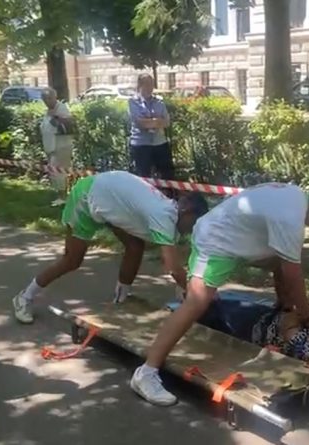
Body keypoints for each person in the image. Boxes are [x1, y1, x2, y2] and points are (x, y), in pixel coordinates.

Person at [130, 183, 309, 406]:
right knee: (197, 302)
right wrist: (306, 314)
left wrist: (290, 306)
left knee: (280, 260)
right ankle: (146, 373)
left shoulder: (294, 196)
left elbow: (285, 264)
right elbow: (294, 275)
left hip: (231, 233)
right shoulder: (291, 217)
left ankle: (282, 306)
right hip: (217, 242)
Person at [12, 170, 209, 324]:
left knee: (135, 246)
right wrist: (194, 295)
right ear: (186, 210)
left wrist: (182, 285)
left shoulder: (169, 211)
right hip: (86, 198)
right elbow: (173, 268)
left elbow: (175, 261)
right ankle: (24, 297)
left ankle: (120, 299)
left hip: (108, 197)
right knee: (72, 260)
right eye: (194, 223)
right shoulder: (163, 217)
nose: (192, 229)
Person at [128, 74, 173, 181]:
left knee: (168, 176)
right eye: (147, 84)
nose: (150, 87)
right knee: (143, 178)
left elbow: (166, 122)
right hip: (141, 144)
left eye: (152, 84)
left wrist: (150, 121)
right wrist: (157, 121)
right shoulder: (133, 102)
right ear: (140, 85)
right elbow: (141, 123)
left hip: (160, 143)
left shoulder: (159, 101)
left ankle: (166, 192)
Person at [40, 87, 75, 207]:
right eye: (44, 99)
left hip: (61, 145)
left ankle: (63, 197)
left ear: (55, 97)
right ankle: (61, 195)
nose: (47, 101)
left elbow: (68, 124)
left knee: (58, 171)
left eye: (49, 98)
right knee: (55, 171)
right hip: (52, 146)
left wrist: (55, 118)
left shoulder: (61, 108)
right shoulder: (49, 110)